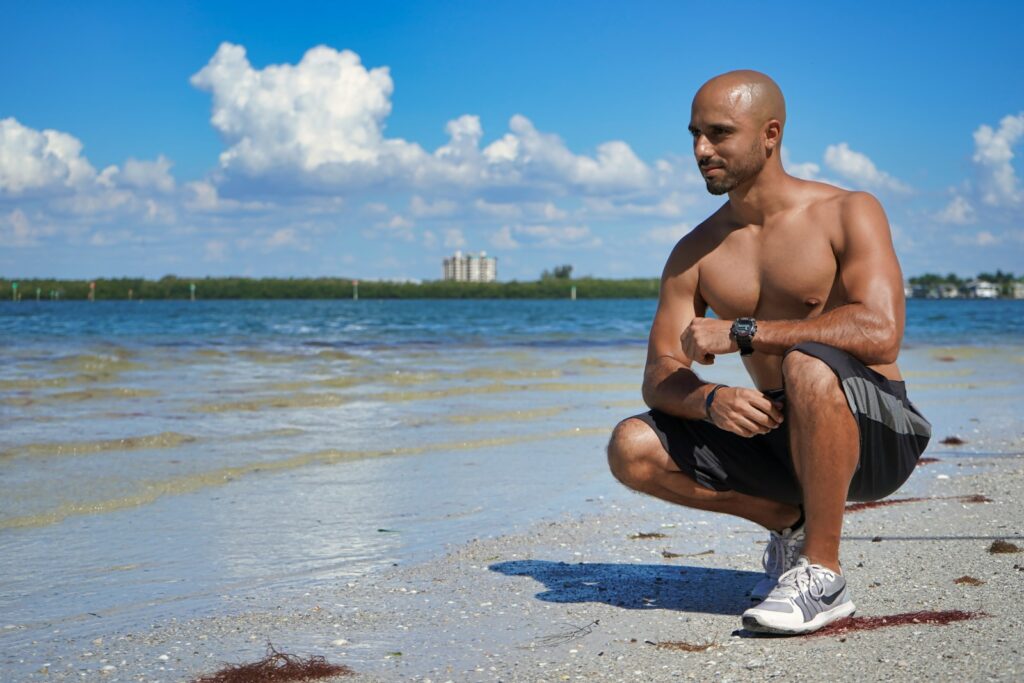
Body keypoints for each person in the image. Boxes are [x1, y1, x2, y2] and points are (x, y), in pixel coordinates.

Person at [606, 70, 931, 635]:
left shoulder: (847, 211)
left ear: (770, 134)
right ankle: (787, 521)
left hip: (877, 430)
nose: (701, 150)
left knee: (807, 360)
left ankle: (822, 575)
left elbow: (882, 331)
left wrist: (744, 332)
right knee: (630, 447)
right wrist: (708, 400)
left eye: (718, 133)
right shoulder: (695, 251)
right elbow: (659, 374)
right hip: (783, 430)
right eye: (694, 135)